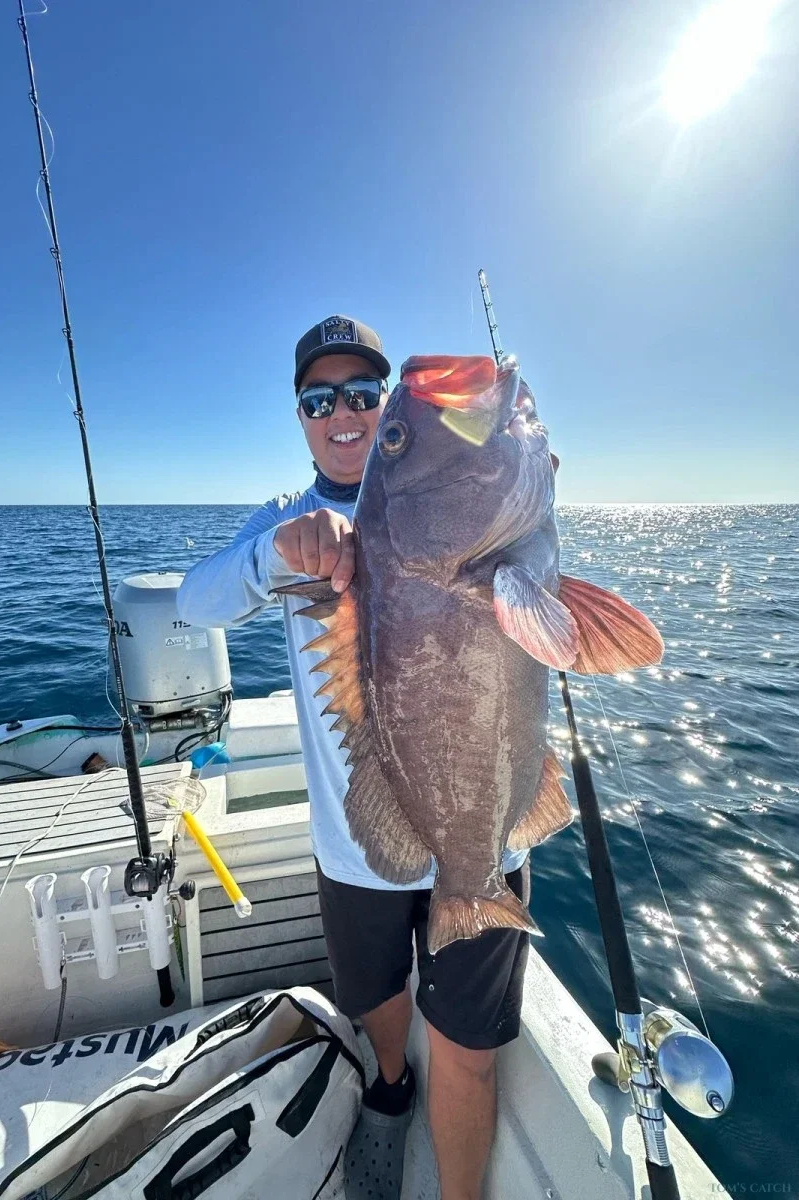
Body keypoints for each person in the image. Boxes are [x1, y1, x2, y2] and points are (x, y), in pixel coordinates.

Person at [177, 316, 531, 1200]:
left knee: (469, 1050)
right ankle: (389, 1084)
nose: (344, 413)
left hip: (483, 833)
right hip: (355, 839)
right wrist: (276, 552)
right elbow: (195, 601)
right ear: (301, 418)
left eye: (366, 396)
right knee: (375, 997)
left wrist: (520, 478)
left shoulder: (484, 503)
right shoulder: (285, 518)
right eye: (318, 399)